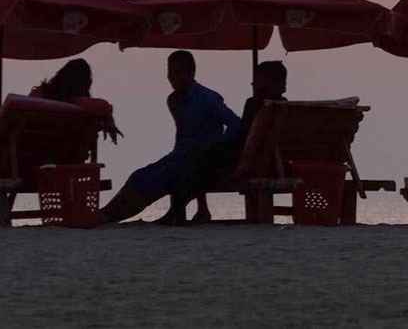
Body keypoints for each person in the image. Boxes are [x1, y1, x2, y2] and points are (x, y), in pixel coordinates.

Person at [98, 50, 241, 225]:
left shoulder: (208, 98)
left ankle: (110, 216)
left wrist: (216, 146)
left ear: (191, 73)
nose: (172, 78)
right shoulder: (174, 100)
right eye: (170, 73)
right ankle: (107, 213)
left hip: (205, 159)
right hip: (182, 157)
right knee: (139, 176)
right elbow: (182, 138)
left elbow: (235, 124)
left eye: (177, 72)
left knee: (162, 177)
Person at [175, 60, 288, 224]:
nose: (253, 85)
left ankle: (197, 209)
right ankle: (196, 208)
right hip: (276, 165)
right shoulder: (285, 106)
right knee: (202, 155)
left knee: (198, 157)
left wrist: (222, 143)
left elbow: (244, 136)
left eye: (257, 81)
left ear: (266, 83)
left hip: (248, 163)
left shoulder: (255, 104)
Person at [31, 58, 122, 144]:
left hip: (32, 144)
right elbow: (104, 106)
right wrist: (109, 119)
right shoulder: (80, 104)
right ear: (86, 82)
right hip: (62, 150)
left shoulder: (40, 94)